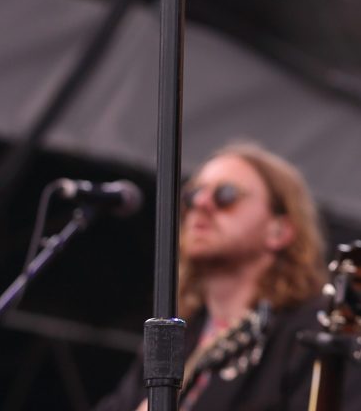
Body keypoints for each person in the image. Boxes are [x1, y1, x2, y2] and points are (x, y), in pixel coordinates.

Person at [94, 141, 343, 411]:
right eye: (192, 195)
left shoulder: (316, 331)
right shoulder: (177, 331)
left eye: (226, 195)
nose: (201, 204)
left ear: (279, 231)